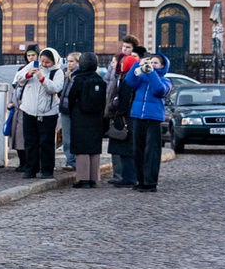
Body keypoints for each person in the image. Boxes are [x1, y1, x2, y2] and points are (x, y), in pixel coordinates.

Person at [124, 51, 172, 193]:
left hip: (153, 118)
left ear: (162, 66)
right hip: (139, 116)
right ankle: (140, 180)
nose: (152, 65)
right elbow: (129, 81)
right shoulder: (143, 78)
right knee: (138, 150)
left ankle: (150, 182)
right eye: (151, 62)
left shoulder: (165, 80)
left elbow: (159, 90)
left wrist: (151, 73)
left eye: (156, 63)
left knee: (152, 151)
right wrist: (137, 65)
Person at [12, 48, 63, 179]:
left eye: (47, 62)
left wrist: (42, 78)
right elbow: (18, 77)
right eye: (42, 61)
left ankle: (47, 170)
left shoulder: (57, 72)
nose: (44, 64)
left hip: (47, 112)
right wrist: (29, 74)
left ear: (54, 61)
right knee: (30, 141)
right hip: (29, 109)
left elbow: (55, 88)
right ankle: (30, 169)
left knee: (46, 142)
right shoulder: (33, 65)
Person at [62, 51, 107, 185]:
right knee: (94, 148)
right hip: (96, 117)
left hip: (80, 116)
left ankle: (83, 178)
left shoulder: (79, 79)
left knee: (82, 149)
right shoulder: (100, 80)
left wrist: (72, 111)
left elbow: (71, 98)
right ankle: (93, 178)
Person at [105, 39, 138, 186]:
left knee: (125, 150)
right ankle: (127, 177)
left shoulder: (127, 81)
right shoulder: (126, 78)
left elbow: (124, 101)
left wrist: (117, 111)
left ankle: (128, 177)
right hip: (127, 116)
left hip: (124, 117)